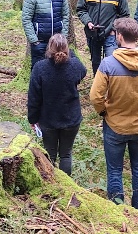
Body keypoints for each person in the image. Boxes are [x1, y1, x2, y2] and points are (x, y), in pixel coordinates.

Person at [89, 17, 138, 210]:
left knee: (114, 170)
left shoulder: (107, 64)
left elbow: (95, 97)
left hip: (115, 126)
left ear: (119, 37)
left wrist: (104, 111)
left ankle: (117, 210)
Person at [27, 33, 86, 175]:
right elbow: (83, 72)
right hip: (71, 119)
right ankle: (67, 184)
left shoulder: (39, 68)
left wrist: (32, 119)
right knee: (66, 154)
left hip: (48, 120)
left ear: (49, 49)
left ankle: (53, 183)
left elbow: (33, 98)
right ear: (67, 49)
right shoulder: (75, 65)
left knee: (50, 155)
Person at [76, 0, 131, 75]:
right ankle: (98, 85)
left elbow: (124, 14)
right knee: (95, 62)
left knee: (112, 61)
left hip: (110, 34)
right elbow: (81, 9)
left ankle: (112, 86)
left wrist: (113, 28)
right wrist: (88, 22)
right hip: (92, 33)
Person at [22, 0, 70, 70]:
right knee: (38, 69)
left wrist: (63, 36)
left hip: (57, 42)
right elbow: (26, 19)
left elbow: (65, 15)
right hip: (40, 41)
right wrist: (34, 40)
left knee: (57, 70)